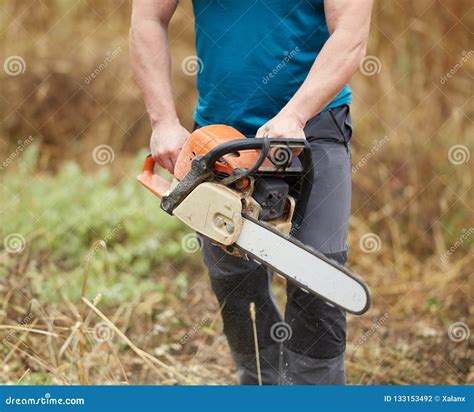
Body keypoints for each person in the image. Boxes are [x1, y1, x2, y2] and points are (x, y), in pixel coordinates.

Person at [130, 0, 373, 385]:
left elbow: (351, 34)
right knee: (233, 279)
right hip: (220, 130)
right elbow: (148, 19)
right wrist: (162, 121)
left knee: (320, 277)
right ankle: (260, 381)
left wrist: (295, 114)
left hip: (317, 123)